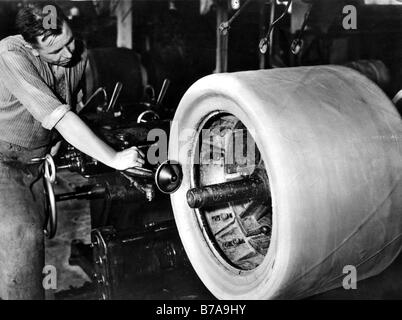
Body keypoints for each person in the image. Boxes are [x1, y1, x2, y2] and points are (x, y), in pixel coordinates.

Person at [0, 2, 144, 299]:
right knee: (20, 238)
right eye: (55, 51)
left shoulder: (77, 54)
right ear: (33, 48)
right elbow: (59, 115)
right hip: (4, 163)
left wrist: (59, 142)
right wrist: (114, 158)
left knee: (32, 244)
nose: (68, 54)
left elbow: (72, 105)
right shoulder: (10, 55)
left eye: (70, 41)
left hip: (37, 162)